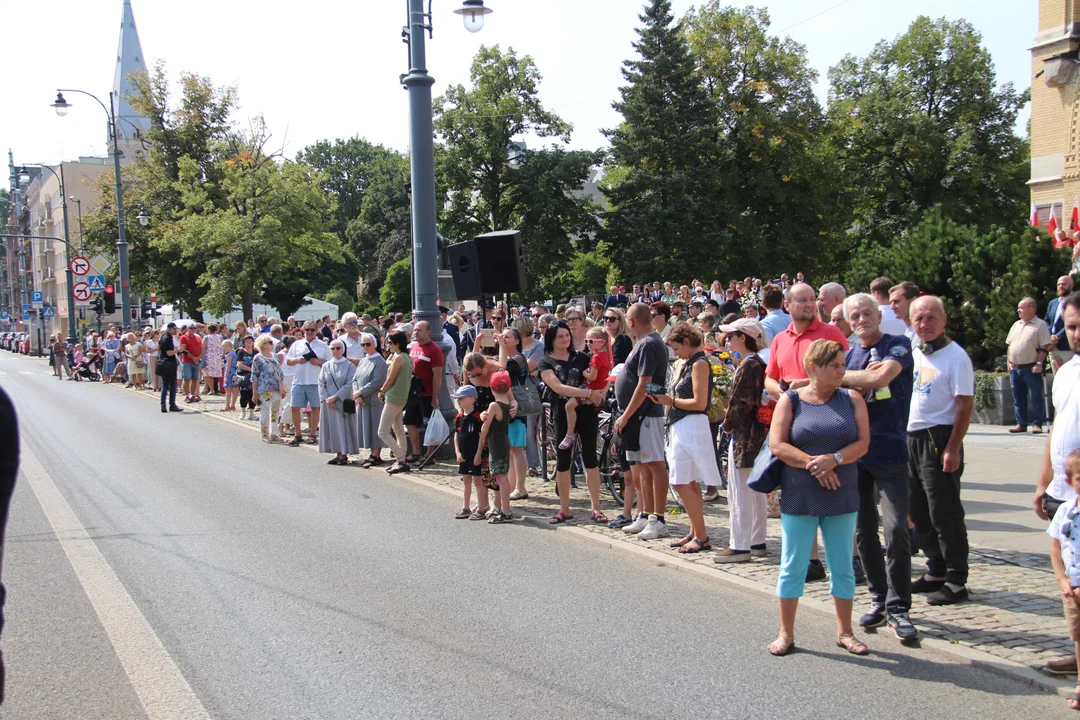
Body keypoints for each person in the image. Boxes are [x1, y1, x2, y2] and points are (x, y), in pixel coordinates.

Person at [767, 339, 871, 657]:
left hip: (841, 491)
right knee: (794, 565)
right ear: (814, 367)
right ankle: (786, 633)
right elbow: (778, 444)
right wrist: (815, 464)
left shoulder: (852, 399)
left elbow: (863, 443)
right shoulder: (792, 400)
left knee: (843, 565)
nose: (842, 371)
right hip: (800, 492)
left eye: (843, 365)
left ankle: (845, 631)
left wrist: (835, 459)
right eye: (835, 366)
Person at [840, 293, 918, 643]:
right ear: (848, 321)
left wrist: (847, 378)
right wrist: (854, 376)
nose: (861, 319)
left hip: (890, 452)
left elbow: (882, 378)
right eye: (854, 315)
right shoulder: (849, 354)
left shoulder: (897, 344)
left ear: (877, 314)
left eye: (867, 313)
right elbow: (833, 383)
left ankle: (899, 605)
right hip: (856, 454)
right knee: (862, 530)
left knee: (897, 526)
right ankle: (878, 596)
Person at [908, 295, 974, 606]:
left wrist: (953, 448)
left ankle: (956, 579)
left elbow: (964, 405)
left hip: (939, 437)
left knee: (943, 511)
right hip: (912, 436)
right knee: (918, 509)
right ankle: (935, 569)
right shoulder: (914, 352)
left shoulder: (956, 356)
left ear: (944, 320)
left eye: (931, 318)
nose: (924, 324)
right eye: (919, 319)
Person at [646, 322, 720, 553]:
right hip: (682, 425)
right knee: (686, 481)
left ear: (687, 342)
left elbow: (700, 403)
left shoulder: (699, 363)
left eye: (677, 349)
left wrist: (671, 401)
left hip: (691, 425)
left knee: (680, 481)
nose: (676, 354)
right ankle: (695, 531)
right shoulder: (690, 363)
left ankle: (702, 535)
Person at [539, 321, 608, 524]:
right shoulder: (546, 362)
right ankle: (565, 508)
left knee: (590, 459)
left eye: (567, 335)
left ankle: (596, 508)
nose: (565, 339)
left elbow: (600, 378)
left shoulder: (583, 357)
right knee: (563, 461)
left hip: (586, 412)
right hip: (562, 413)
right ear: (551, 339)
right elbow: (557, 387)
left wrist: (598, 394)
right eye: (560, 336)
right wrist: (588, 393)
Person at [714, 318, 769, 563]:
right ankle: (756, 540)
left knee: (740, 490)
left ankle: (740, 544)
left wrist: (727, 424)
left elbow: (741, 403)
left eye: (732, 335)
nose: (728, 340)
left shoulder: (750, 365)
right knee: (754, 489)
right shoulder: (756, 363)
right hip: (756, 434)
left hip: (746, 435)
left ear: (743, 337)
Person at [615, 303, 670, 540]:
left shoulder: (648, 343)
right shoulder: (644, 343)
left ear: (631, 321)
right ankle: (646, 514)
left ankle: (658, 517)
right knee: (642, 467)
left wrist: (626, 414)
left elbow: (645, 383)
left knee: (654, 464)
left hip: (645, 414)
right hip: (640, 413)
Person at [1050, 450, 1080, 709]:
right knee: (1078, 636)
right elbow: (1056, 548)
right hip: (1072, 588)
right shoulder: (1065, 511)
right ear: (1070, 482)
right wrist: (1062, 579)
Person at [560, 327, 611, 451]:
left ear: (602, 342)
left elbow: (592, 376)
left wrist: (583, 373)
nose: (588, 344)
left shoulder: (596, 357)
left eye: (591, 341)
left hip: (591, 389)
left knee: (569, 406)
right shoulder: (604, 355)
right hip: (596, 389)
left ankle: (570, 434)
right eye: (586, 341)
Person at [1006, 297, 1052, 434]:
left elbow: (1045, 346)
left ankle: (1037, 424)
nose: (1018, 310)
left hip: (1031, 367)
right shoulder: (1016, 325)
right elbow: (1009, 345)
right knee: (1018, 398)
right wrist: (1009, 361)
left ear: (1031, 309)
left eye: (1021, 308)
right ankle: (1021, 423)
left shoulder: (1040, 325)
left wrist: (1039, 363)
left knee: (1036, 397)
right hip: (1015, 368)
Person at [476, 370, 515, 524]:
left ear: (492, 388)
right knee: (502, 476)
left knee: (501, 478)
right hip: (502, 441)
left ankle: (506, 511)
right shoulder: (506, 403)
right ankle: (504, 509)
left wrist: (482, 439)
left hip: (496, 444)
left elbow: (485, 428)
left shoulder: (494, 404)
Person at [404, 321, 444, 463]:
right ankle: (416, 451)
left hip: (427, 393)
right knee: (409, 421)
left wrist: (435, 397)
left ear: (428, 332)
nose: (416, 332)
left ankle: (430, 453)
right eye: (415, 330)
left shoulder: (434, 349)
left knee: (429, 424)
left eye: (419, 330)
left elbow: (437, 376)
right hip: (413, 392)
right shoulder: (413, 346)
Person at [497, 327, 530, 500]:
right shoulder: (512, 358)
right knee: (511, 448)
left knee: (517, 449)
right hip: (509, 406)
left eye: (507, 337)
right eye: (502, 337)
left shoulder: (517, 359)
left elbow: (502, 371)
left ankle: (521, 487)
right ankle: (512, 485)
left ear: (517, 341)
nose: (504, 339)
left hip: (517, 408)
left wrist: (501, 347)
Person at [286, 322, 331, 446]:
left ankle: (312, 434)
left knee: (315, 408)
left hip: (315, 381)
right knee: (294, 407)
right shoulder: (297, 344)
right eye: (307, 329)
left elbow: (330, 362)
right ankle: (298, 434)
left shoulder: (323, 346)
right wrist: (297, 360)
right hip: (299, 380)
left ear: (317, 330)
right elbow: (288, 361)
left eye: (312, 329)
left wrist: (319, 362)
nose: (309, 332)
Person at [513, 316, 545, 480]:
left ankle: (533, 463)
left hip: (529, 390)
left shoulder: (538, 346)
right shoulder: (516, 346)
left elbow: (529, 366)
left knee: (530, 427)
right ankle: (518, 461)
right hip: (514, 388)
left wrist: (521, 368)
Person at [378, 331, 414, 475]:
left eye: (390, 343)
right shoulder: (405, 357)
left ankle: (401, 459)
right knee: (398, 430)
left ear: (397, 343)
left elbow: (391, 379)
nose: (388, 345)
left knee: (382, 431)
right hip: (400, 397)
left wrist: (382, 391)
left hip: (393, 397)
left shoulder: (399, 358)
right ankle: (401, 459)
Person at [319, 339, 359, 465]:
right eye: (333, 348)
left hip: (341, 401)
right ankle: (336, 453)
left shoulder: (349, 365)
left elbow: (349, 383)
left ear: (343, 349)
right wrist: (326, 398)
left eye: (338, 348)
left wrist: (336, 397)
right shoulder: (326, 365)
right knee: (332, 427)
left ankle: (344, 454)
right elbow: (321, 383)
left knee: (343, 427)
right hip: (328, 403)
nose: (335, 351)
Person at [452, 385, 487, 519]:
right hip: (463, 454)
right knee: (466, 480)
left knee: (478, 481)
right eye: (458, 399)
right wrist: (457, 452)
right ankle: (465, 507)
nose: (459, 401)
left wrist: (478, 454)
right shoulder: (459, 416)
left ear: (472, 399)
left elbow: (480, 437)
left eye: (461, 398)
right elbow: (456, 435)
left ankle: (481, 507)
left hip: (474, 454)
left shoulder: (477, 417)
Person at [352, 333, 387, 468]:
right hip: (362, 399)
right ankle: (372, 452)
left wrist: (361, 392)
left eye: (368, 344)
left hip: (374, 398)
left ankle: (377, 454)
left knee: (375, 424)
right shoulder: (363, 360)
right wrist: (356, 393)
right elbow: (355, 379)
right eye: (363, 344)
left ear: (374, 345)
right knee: (366, 424)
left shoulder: (380, 361)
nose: (365, 347)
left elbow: (378, 380)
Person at [251, 334, 286, 442]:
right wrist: (255, 391)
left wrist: (282, 386)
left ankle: (274, 433)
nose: (272, 344)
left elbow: (280, 372)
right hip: (264, 388)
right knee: (265, 411)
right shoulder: (258, 358)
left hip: (276, 388)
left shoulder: (274, 356)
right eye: (270, 342)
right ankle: (265, 434)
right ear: (264, 345)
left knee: (276, 411)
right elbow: (254, 375)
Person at [1048, 276, 1077, 372]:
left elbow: (1073, 323)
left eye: (1064, 284)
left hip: (1069, 347)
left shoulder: (1076, 301)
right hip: (1053, 348)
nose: (1060, 286)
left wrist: (1057, 336)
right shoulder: (1053, 303)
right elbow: (1047, 321)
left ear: (1072, 285)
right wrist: (1050, 337)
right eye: (1058, 284)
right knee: (1058, 378)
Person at [156, 323, 184, 413]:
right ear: (168, 329)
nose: (175, 330)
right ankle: (170, 405)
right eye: (173, 329)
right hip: (168, 364)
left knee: (167, 385)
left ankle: (165, 405)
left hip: (166, 363)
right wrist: (178, 350)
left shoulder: (165, 336)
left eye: (175, 329)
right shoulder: (167, 338)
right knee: (170, 385)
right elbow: (169, 353)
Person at [234, 335, 258, 420]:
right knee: (244, 394)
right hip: (244, 375)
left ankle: (252, 413)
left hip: (254, 376)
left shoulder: (256, 352)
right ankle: (243, 411)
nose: (249, 342)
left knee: (253, 393)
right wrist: (250, 369)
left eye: (250, 341)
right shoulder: (241, 352)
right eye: (247, 341)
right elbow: (239, 364)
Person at [178, 327, 202, 402]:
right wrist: (193, 358)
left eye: (194, 329)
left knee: (195, 378)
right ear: (188, 330)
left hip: (197, 360)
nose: (193, 330)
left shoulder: (197, 337)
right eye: (191, 329)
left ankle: (192, 394)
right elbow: (183, 350)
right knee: (187, 378)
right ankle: (187, 395)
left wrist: (198, 358)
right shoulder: (184, 337)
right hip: (187, 360)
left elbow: (201, 348)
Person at [202, 323, 224, 396]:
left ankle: (211, 389)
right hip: (217, 357)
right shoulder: (220, 337)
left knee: (208, 375)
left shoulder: (206, 337)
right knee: (215, 374)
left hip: (209, 357)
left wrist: (201, 356)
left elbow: (203, 348)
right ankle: (209, 388)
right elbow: (223, 347)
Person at [221, 339, 238, 412]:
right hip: (235, 372)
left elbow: (228, 365)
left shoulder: (229, 355)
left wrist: (226, 376)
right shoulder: (235, 354)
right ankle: (233, 405)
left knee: (228, 390)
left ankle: (227, 405)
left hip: (230, 372)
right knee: (234, 389)